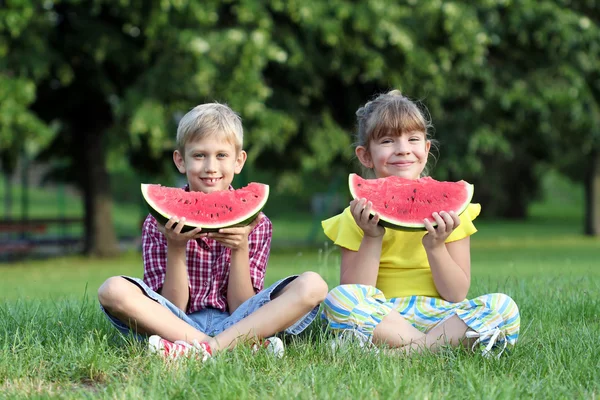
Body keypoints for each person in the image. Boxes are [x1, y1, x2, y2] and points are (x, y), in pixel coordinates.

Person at [98, 102, 328, 361]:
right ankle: (234, 346)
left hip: (238, 321)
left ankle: (199, 350)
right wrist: (175, 247)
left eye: (221, 155)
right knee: (112, 289)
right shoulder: (158, 223)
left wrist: (240, 247)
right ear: (180, 161)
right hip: (176, 323)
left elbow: (242, 307)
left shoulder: (257, 223)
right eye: (199, 155)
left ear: (239, 161)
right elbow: (171, 308)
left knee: (313, 285)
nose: (210, 167)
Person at [320, 90, 520, 358]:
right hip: (383, 317)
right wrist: (371, 237)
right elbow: (357, 290)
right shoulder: (357, 214)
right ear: (365, 156)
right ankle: (434, 347)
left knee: (503, 308)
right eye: (388, 141)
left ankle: (400, 354)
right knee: (338, 300)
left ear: (426, 149)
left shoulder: (453, 212)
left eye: (413, 139)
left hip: (441, 315)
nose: (403, 149)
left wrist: (436, 247)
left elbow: (456, 293)